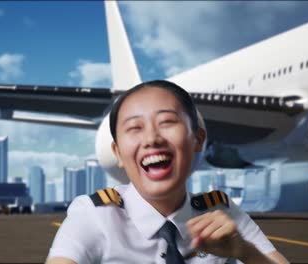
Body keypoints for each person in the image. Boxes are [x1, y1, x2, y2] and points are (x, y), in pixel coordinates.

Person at [46, 80, 289, 264]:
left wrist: (245, 251)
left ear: (198, 139)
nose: (152, 138)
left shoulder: (222, 213)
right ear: (118, 153)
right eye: (134, 128)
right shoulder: (95, 216)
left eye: (167, 122)